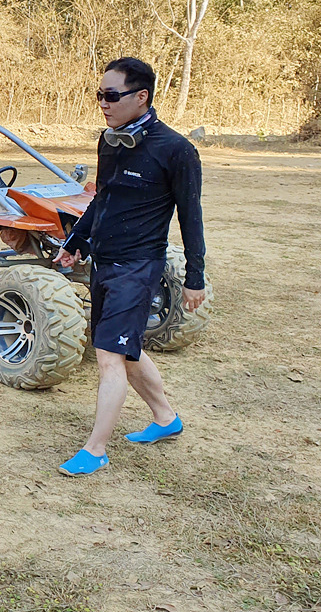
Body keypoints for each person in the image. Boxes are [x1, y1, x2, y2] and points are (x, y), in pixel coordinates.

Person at [53, 57, 206, 477]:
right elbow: (102, 199)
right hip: (105, 261)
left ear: (142, 97)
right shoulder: (110, 141)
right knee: (125, 349)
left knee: (108, 357)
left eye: (111, 95)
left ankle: (96, 449)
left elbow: (190, 217)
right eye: (99, 95)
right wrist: (76, 242)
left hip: (138, 267)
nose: (103, 103)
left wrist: (195, 278)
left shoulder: (176, 150)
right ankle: (165, 418)